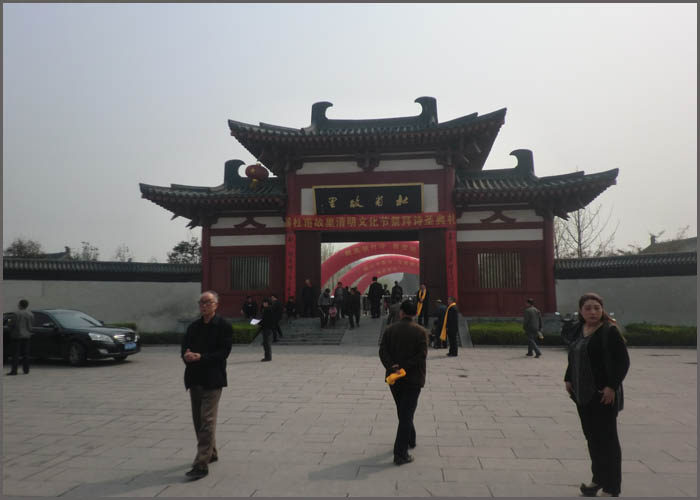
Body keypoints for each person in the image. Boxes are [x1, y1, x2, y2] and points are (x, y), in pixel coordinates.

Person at [564, 292, 630, 498]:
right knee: (592, 439)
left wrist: (611, 387)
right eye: (588, 308)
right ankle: (597, 479)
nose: (593, 312)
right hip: (583, 395)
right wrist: (568, 378)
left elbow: (623, 362)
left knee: (608, 440)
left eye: (596, 308)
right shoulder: (579, 329)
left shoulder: (609, 331)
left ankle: (612, 486)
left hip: (603, 394)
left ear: (602, 310)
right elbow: (574, 355)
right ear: (581, 311)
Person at [181, 291, 233, 480]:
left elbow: (223, 353)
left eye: (208, 302)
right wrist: (187, 356)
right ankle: (211, 453)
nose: (204, 305)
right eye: (201, 302)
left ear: (216, 305)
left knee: (207, 420)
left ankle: (201, 464)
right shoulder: (193, 327)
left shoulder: (224, 326)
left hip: (213, 379)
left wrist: (201, 357)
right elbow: (184, 348)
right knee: (198, 421)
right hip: (194, 378)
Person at [379, 300, 428, 466]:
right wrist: (405, 367)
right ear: (415, 313)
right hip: (413, 378)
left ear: (401, 312)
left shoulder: (390, 330)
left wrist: (393, 366)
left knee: (403, 411)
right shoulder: (421, 332)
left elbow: (382, 351)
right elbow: (421, 355)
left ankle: (410, 439)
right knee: (406, 413)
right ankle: (400, 454)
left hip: (394, 378)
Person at [7, 299, 34, 376]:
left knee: (15, 354)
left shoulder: (16, 313)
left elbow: (11, 324)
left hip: (17, 336)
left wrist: (9, 324)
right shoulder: (30, 314)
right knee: (26, 354)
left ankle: (14, 371)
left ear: (20, 305)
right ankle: (26, 370)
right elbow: (31, 325)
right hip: (27, 336)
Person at [258, 298, 275, 362]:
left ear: (267, 303)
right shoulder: (270, 309)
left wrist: (258, 323)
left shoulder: (267, 309)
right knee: (267, 343)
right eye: (263, 302)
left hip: (266, 328)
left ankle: (267, 357)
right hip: (268, 328)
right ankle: (268, 356)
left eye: (264, 303)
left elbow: (265, 320)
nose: (263, 304)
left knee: (266, 343)